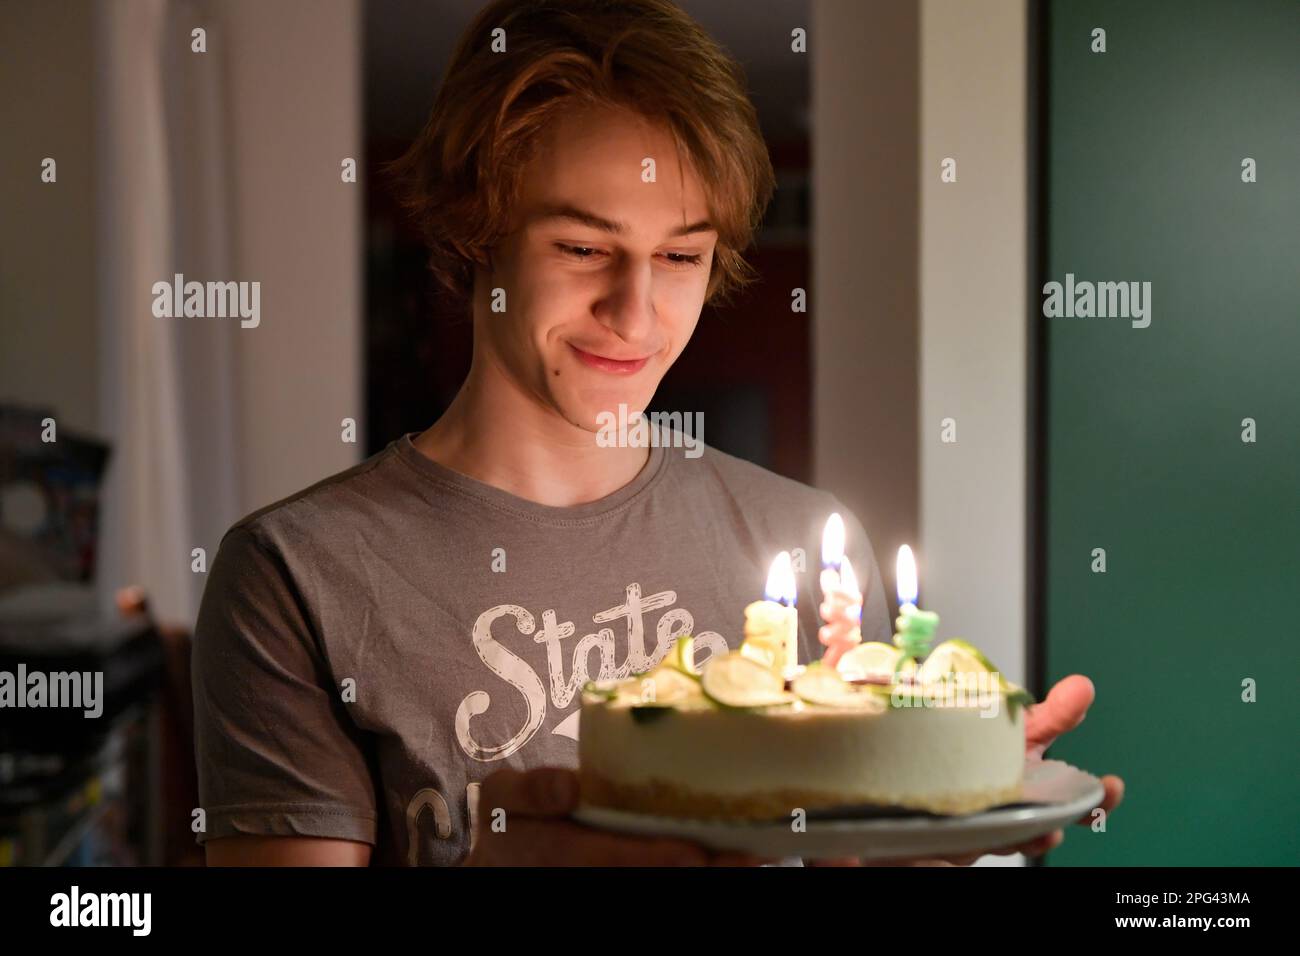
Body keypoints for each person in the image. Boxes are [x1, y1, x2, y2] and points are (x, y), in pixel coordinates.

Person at [193, 0, 1122, 866]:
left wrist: (936, 815)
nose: (637, 313)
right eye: (584, 248)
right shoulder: (295, 575)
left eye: (680, 256)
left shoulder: (800, 540)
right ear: (474, 236)